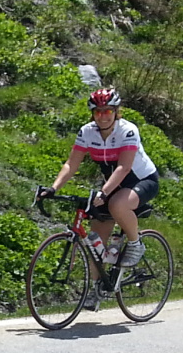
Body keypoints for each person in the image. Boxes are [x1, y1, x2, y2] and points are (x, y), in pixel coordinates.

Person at [40, 86, 159, 266]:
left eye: (108, 111)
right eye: (98, 112)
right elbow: (71, 164)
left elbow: (124, 167)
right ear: (93, 113)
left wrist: (103, 192)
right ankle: (98, 282)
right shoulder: (87, 132)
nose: (103, 116)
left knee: (117, 204)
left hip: (142, 180)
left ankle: (135, 244)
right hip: (113, 185)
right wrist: (53, 188)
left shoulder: (127, 130)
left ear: (116, 111)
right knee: (96, 244)